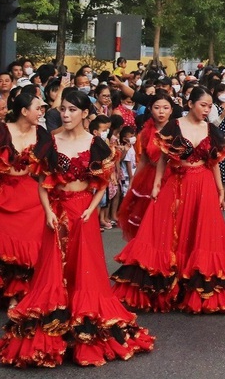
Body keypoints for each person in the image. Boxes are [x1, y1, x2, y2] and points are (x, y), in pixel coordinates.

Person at [0, 90, 154, 367]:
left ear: (85, 113)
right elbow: (43, 182)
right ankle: (53, 335)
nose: (66, 114)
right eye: (64, 109)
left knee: (83, 269)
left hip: (83, 214)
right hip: (56, 214)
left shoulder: (97, 143)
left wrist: (91, 208)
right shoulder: (50, 142)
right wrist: (47, 212)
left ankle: (83, 330)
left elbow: (102, 182)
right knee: (52, 269)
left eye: (72, 110)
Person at [111, 87, 225, 313]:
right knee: (163, 231)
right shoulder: (174, 126)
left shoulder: (211, 129)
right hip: (177, 182)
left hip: (204, 182)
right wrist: (157, 183)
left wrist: (219, 189)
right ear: (190, 104)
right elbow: (163, 159)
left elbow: (213, 162)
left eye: (209, 106)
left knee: (202, 234)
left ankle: (194, 288)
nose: (206, 109)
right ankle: (164, 286)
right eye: (202, 105)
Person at [0, 94, 48, 307]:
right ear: (24, 111)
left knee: (33, 237)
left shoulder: (42, 133)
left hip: (30, 191)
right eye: (38, 108)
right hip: (3, 189)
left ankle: (20, 292)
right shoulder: (2, 130)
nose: (41, 112)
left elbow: (50, 165)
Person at [117, 93, 173, 240]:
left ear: (171, 110)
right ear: (150, 109)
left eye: (165, 108)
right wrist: (133, 181)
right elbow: (143, 160)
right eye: (157, 107)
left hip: (172, 177)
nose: (161, 111)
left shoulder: (177, 131)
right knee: (148, 217)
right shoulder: (146, 132)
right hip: (149, 177)